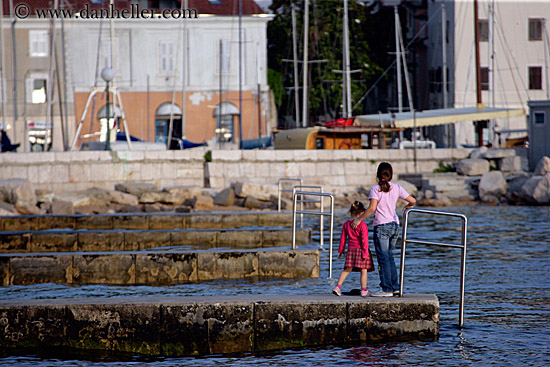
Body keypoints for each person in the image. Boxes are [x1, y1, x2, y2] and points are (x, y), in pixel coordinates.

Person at [352, 162, 416, 297]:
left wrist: (358, 220)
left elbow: (371, 209)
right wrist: (409, 205)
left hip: (382, 226)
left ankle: (386, 289)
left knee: (383, 258)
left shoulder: (375, 189)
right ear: (391, 175)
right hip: (394, 225)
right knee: (389, 256)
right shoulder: (397, 187)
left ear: (377, 174)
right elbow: (413, 200)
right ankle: (395, 287)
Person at [332, 201, 375, 297]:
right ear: (362, 213)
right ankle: (364, 290)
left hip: (351, 250)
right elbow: (364, 240)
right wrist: (365, 253)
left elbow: (343, 238)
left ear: (350, 212)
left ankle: (337, 287)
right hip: (361, 250)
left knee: (347, 269)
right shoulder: (363, 225)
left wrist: (341, 251)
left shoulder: (346, 224)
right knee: (363, 270)